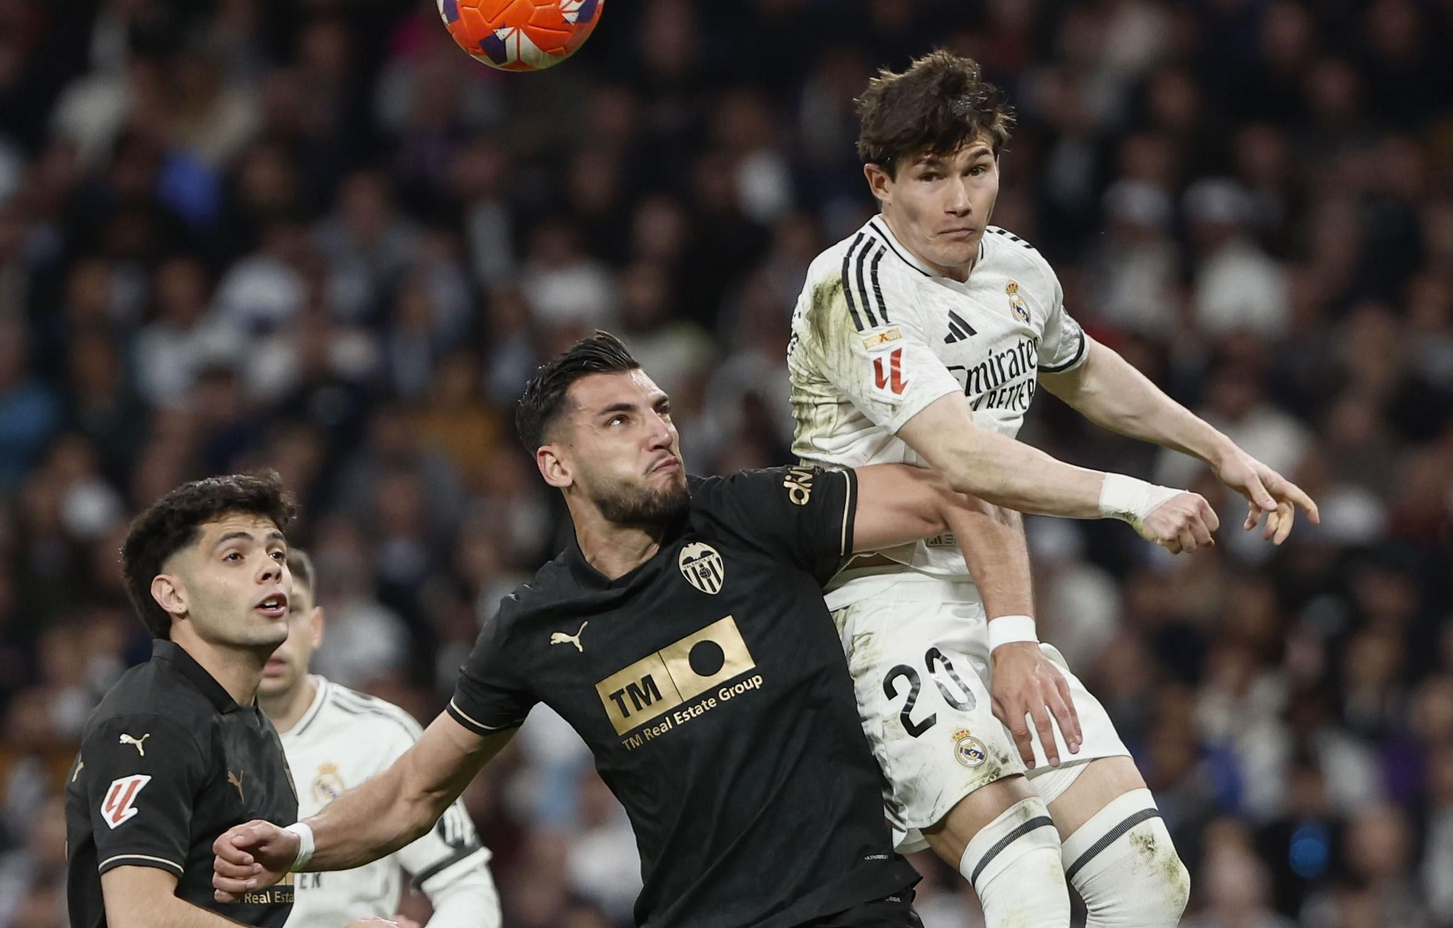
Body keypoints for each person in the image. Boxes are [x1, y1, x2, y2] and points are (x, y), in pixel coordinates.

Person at [214, 331, 1076, 928]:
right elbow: (412, 792)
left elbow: (960, 487)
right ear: (557, 465)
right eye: (619, 420)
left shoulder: (747, 513)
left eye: (658, 408)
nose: (661, 430)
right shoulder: (535, 624)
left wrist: (1013, 641)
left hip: (848, 910)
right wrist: (297, 845)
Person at [787, 50, 1320, 928]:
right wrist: (1135, 496)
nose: (960, 199)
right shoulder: (856, 286)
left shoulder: (1015, 269)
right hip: (878, 601)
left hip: (991, 583)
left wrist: (1215, 448)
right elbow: (960, 456)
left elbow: (1082, 367)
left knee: (1151, 883)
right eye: (932, 176)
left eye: (978, 169)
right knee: (1027, 872)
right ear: (880, 181)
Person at [65, 472, 380, 928]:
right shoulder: (151, 718)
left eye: (276, 552)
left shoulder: (250, 723)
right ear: (173, 594)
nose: (272, 567)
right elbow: (139, 916)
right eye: (235, 555)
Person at [258, 549, 502, 928]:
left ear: (317, 626)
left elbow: (466, 885)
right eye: (262, 611)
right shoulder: (181, 738)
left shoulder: (381, 736)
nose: (278, 635)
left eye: (290, 611)